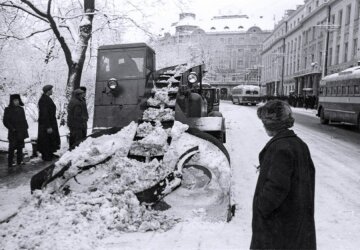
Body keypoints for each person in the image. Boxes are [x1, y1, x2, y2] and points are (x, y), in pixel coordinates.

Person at [251, 100, 316, 250]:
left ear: (271, 124)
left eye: (265, 122)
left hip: (279, 226)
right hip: (295, 221)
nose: (263, 126)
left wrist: (262, 207)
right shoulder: (298, 144)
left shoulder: (281, 148)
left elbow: (277, 187)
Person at [3, 94, 29, 168]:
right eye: (15, 100)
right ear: (11, 101)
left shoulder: (21, 109)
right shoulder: (8, 109)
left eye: (17, 100)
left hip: (21, 131)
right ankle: (10, 163)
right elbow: (5, 121)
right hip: (13, 132)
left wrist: (26, 127)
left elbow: (24, 119)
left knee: (20, 147)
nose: (16, 102)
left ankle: (19, 161)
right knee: (12, 148)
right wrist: (12, 128)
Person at [37, 85, 60, 161]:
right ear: (48, 91)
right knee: (45, 139)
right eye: (51, 90)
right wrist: (48, 126)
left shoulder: (47, 98)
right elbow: (44, 114)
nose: (52, 91)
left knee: (50, 138)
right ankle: (46, 155)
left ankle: (50, 153)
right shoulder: (43, 100)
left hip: (50, 122)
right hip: (46, 123)